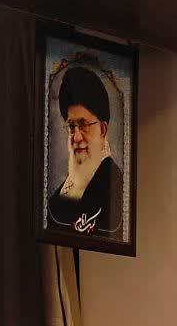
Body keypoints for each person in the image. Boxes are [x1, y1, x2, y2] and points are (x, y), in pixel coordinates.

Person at [47, 64, 124, 238]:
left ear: (102, 130)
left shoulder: (117, 188)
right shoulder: (60, 196)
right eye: (71, 126)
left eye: (83, 125)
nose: (76, 137)